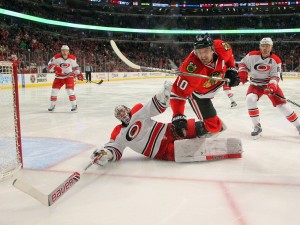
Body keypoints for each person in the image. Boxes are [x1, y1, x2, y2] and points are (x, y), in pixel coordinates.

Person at [90, 81, 242, 165]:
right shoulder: (118, 132)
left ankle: (211, 130)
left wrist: (165, 94)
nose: (123, 115)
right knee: (185, 150)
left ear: (128, 109)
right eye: (119, 114)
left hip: (168, 130)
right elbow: (115, 149)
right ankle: (218, 148)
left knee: (197, 127)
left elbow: (154, 106)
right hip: (160, 150)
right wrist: (105, 154)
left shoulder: (137, 111)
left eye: (123, 111)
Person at [170, 34, 241, 140]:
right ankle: (187, 130)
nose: (203, 55)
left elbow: (229, 56)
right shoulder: (191, 69)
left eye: (206, 51)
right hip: (199, 95)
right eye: (199, 52)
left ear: (213, 49)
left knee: (214, 127)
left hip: (213, 85)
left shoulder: (222, 47)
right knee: (214, 127)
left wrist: (232, 69)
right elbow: (178, 93)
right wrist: (178, 115)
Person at [238, 37, 300, 139]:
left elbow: (275, 76)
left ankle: (298, 125)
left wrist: (271, 87)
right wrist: (242, 72)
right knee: (250, 99)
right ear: (260, 46)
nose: (265, 48)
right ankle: (257, 126)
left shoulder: (276, 60)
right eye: (263, 46)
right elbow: (242, 63)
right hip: (255, 84)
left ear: (271, 47)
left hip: (268, 85)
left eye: (267, 46)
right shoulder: (252, 55)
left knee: (283, 107)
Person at [47, 45, 84, 112]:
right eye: (63, 50)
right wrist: (55, 67)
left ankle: (74, 105)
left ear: (68, 51)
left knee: (69, 90)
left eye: (66, 51)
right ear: (61, 51)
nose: (64, 52)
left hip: (68, 76)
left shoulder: (72, 58)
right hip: (58, 77)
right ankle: (52, 105)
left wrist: (79, 74)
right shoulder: (56, 57)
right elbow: (49, 65)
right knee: (54, 91)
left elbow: (75, 67)